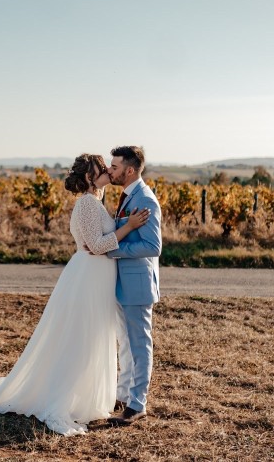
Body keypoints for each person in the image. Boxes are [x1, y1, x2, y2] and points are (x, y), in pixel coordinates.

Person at [0, 153, 149, 436]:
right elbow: (96, 245)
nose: (108, 171)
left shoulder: (95, 203)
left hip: (95, 276)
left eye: (108, 167)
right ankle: (66, 397)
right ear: (89, 178)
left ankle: (87, 395)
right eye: (101, 169)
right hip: (89, 276)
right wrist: (129, 227)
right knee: (82, 336)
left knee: (93, 336)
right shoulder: (87, 205)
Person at [105, 145, 162, 426]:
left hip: (137, 285)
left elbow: (153, 246)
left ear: (129, 170)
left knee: (140, 345)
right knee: (125, 342)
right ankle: (124, 393)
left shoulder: (146, 200)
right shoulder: (129, 196)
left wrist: (113, 250)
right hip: (123, 283)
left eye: (114, 167)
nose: (110, 171)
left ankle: (138, 403)